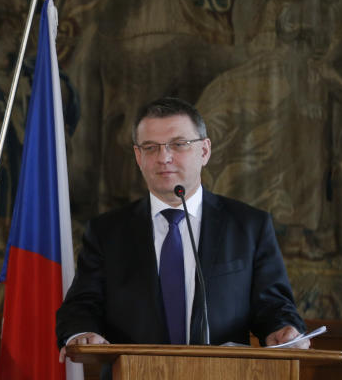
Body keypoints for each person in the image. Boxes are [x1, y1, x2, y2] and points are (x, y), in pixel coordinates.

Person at [56, 97, 307, 375]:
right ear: (139, 157)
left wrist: (284, 329)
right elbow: (82, 304)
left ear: (204, 151)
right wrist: (83, 332)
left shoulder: (248, 226)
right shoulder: (107, 232)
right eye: (151, 148)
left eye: (179, 144)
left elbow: (274, 305)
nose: (164, 157)